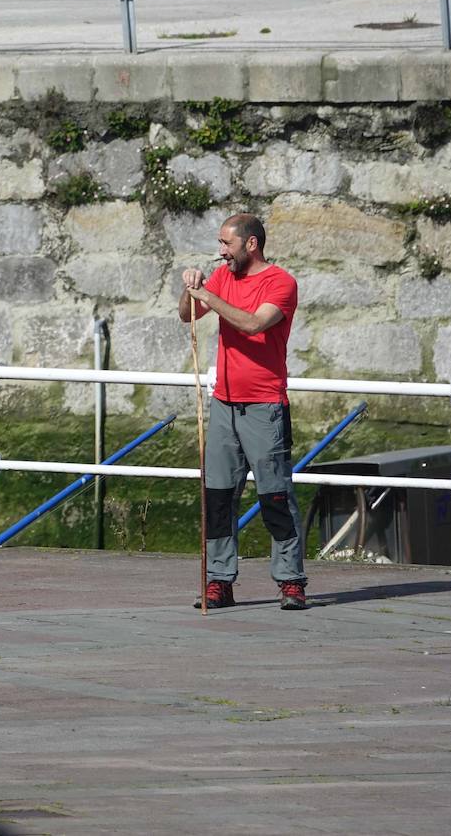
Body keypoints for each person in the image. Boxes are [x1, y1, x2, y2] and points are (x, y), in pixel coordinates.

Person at [178, 213, 307, 610]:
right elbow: (187, 314)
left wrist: (209, 296)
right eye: (220, 243)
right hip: (224, 404)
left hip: (265, 407)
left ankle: (291, 581)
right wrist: (191, 290)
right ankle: (219, 581)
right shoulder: (222, 276)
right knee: (217, 497)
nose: (221, 252)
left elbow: (253, 325)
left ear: (251, 244)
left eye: (226, 244)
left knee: (275, 496)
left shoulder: (281, 283)